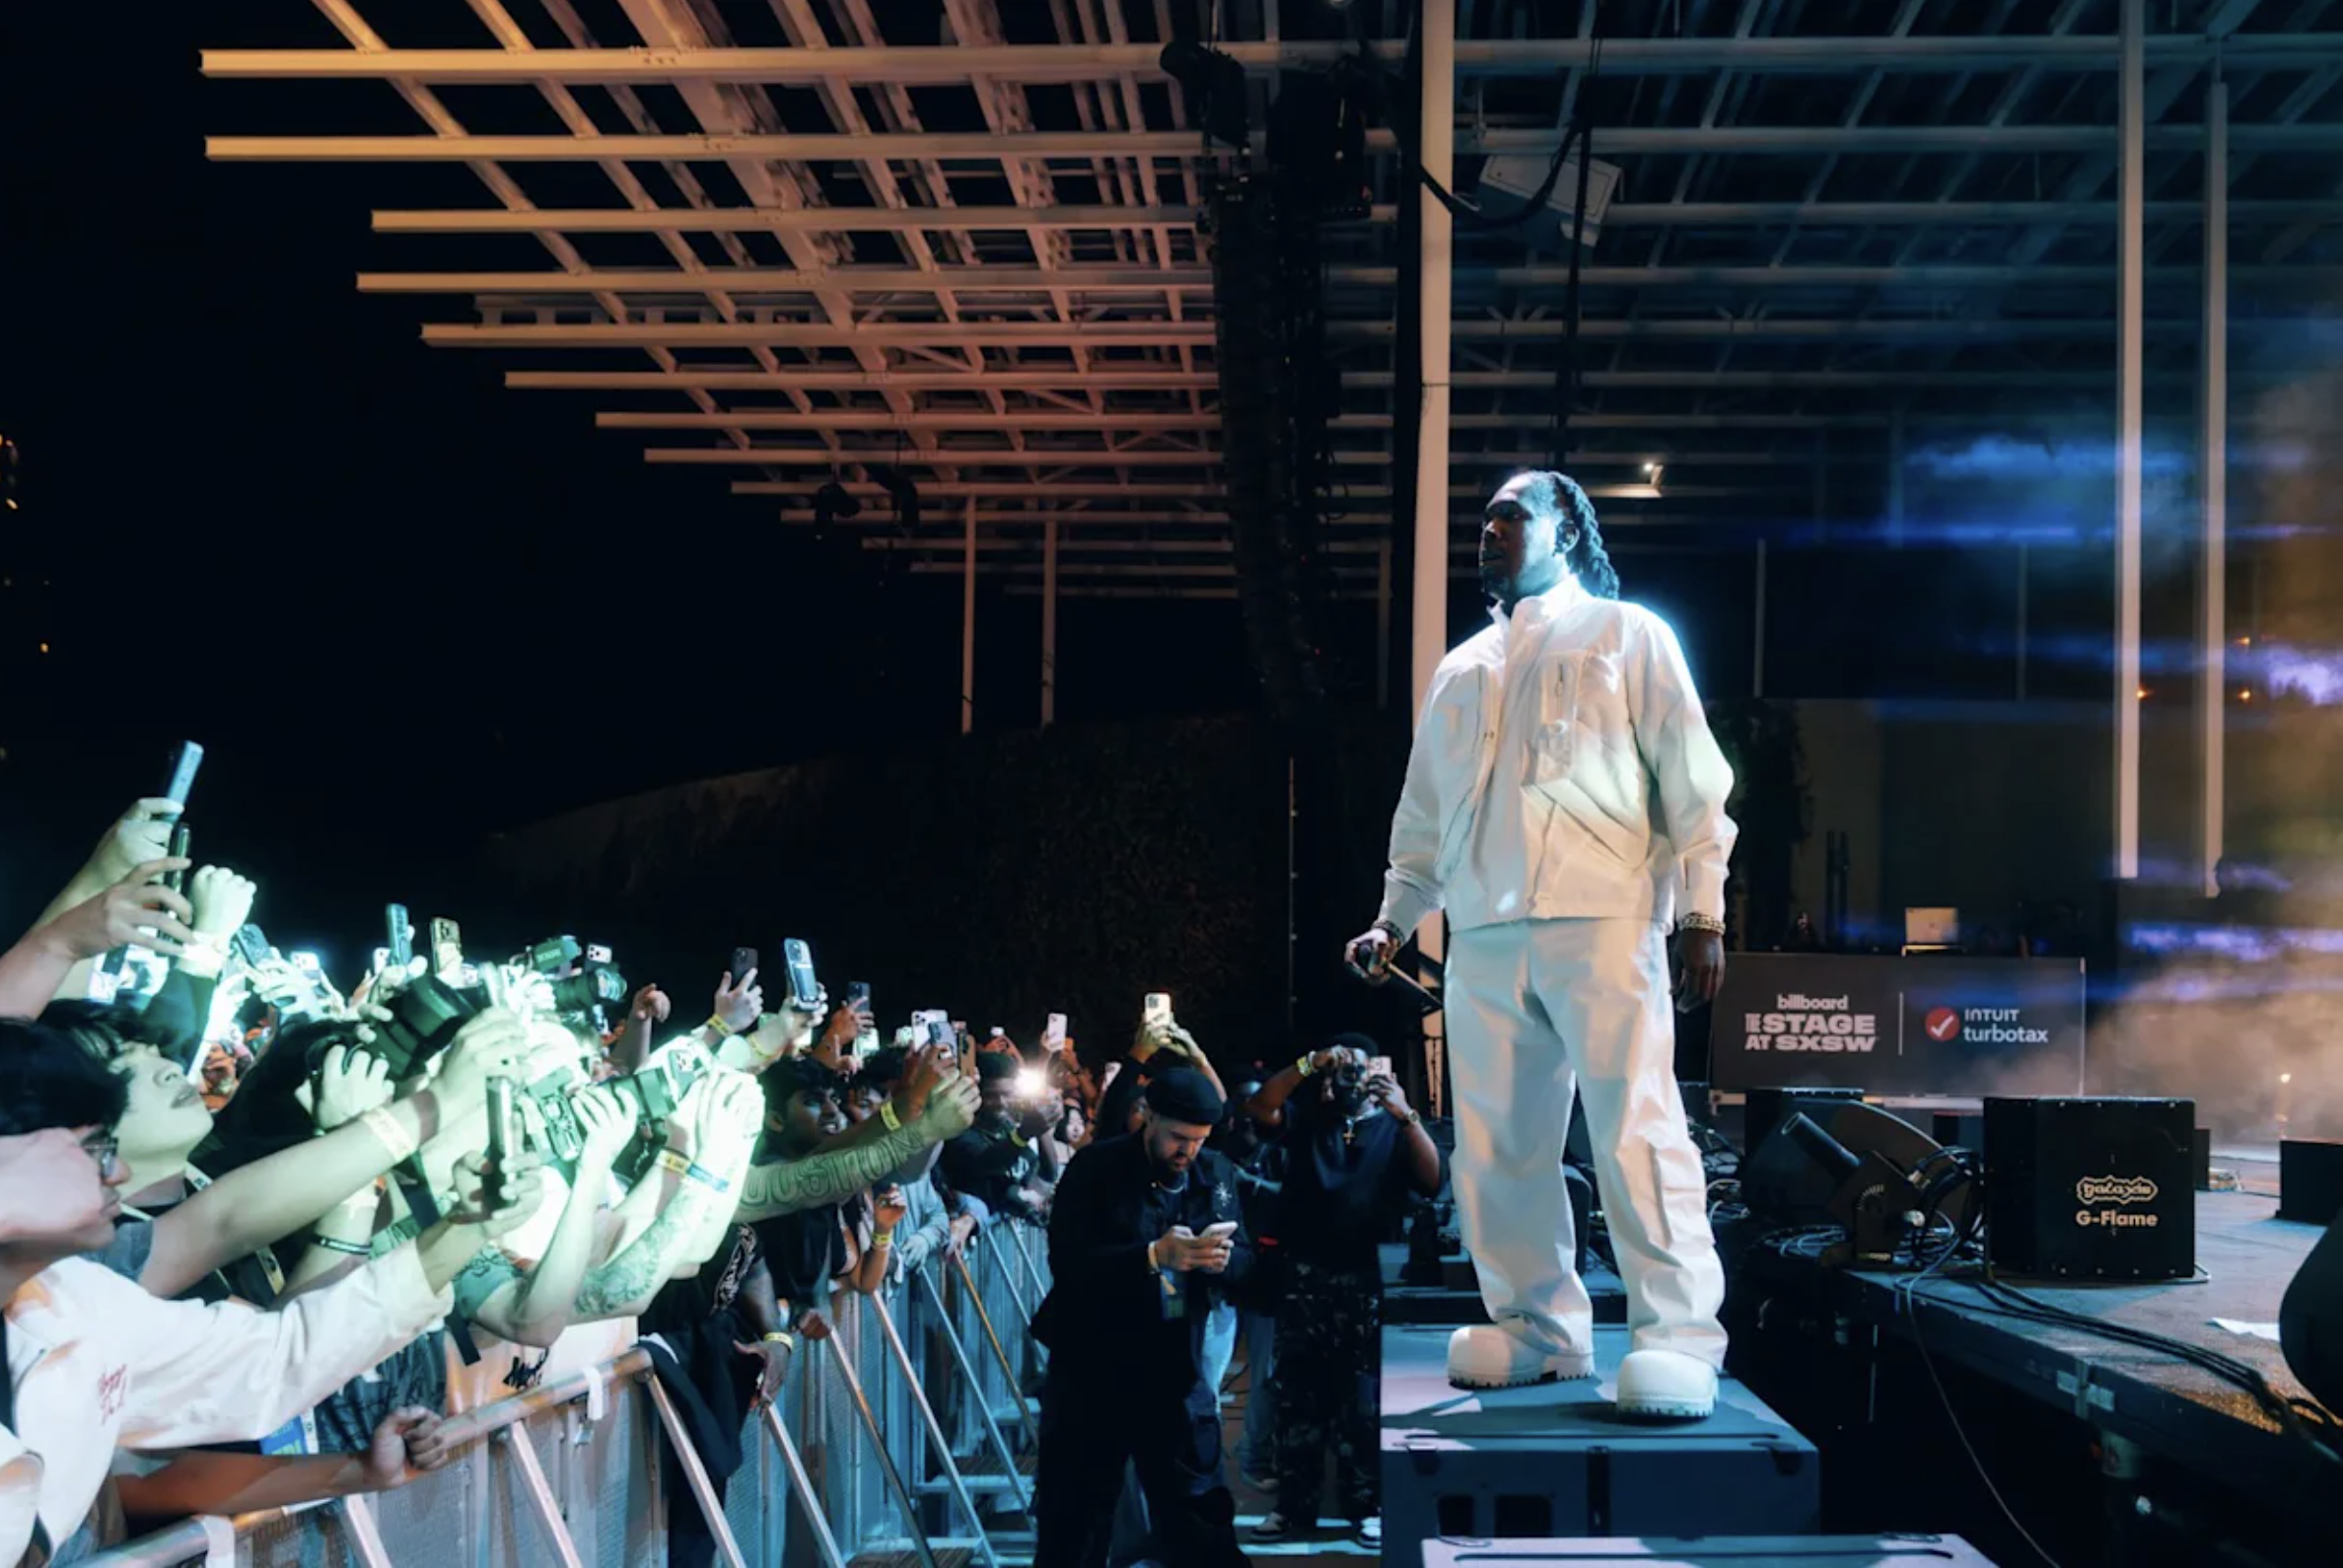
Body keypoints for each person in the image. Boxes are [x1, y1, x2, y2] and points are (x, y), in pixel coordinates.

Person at [1347, 468, 1736, 1420]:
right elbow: (1423, 817)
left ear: (1568, 530)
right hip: (1484, 930)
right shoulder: (1462, 667)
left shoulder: (1628, 633)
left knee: (1636, 1130)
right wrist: (1394, 917)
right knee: (1495, 1148)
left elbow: (1693, 779)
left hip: (1604, 917)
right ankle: (1535, 1328)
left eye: (1513, 516)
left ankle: (1678, 1337)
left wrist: (1703, 910)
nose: (1491, 530)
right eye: (1486, 519)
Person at [1031, 1069, 1250, 1568]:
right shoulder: (1095, 1169)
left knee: (1203, 1521)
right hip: (1092, 1369)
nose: (1187, 1151)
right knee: (1075, 1524)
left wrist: (1221, 1261)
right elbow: (1071, 1264)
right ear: (1148, 1117)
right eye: (1178, 1137)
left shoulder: (1214, 1173)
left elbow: (1247, 1260)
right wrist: (1152, 1256)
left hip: (1174, 1369)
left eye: (1198, 1140)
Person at [1243, 1039, 1441, 1545]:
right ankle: (1294, 1506)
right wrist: (1310, 1063)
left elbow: (1433, 1179)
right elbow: (1261, 1107)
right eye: (1343, 1070)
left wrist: (1405, 1112)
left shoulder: (1394, 1127)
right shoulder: (1310, 1120)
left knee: (1364, 1400)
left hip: (1367, 1282)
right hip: (1305, 1279)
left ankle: (1367, 1504)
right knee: (1298, 1398)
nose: (1350, 1080)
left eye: (1359, 1069)